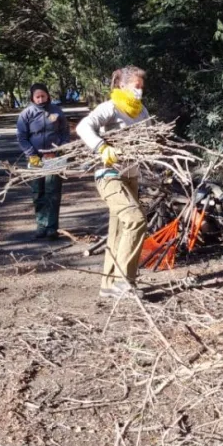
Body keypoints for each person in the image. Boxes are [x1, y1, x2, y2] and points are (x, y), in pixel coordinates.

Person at [76, 66, 150, 299]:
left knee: (119, 229)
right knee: (135, 220)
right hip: (109, 175)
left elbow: (149, 140)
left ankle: (108, 285)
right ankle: (123, 281)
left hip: (131, 176)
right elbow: (82, 126)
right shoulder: (110, 107)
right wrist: (102, 147)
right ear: (122, 86)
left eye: (141, 87)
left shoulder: (141, 111)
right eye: (136, 87)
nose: (139, 91)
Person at [16, 83, 70, 239]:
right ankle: (41, 225)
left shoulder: (57, 111)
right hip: (35, 159)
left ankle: (52, 227)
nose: (40, 99)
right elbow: (22, 137)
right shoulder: (26, 114)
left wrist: (58, 150)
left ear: (48, 95)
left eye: (43, 96)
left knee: (53, 191)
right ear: (32, 98)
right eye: (37, 97)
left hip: (55, 158)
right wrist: (32, 154)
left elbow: (65, 133)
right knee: (37, 191)